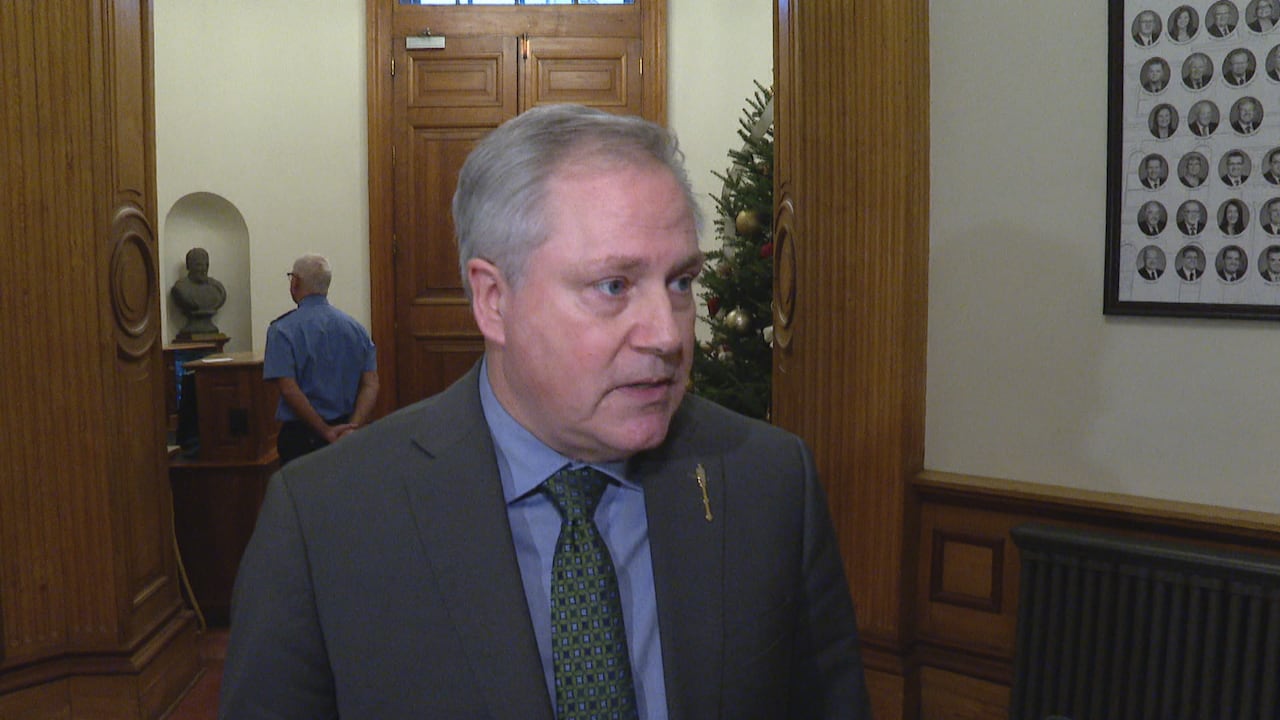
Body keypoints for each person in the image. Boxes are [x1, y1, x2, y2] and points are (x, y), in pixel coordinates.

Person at [220, 105, 873, 719]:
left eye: (680, 282)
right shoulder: (327, 518)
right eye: (614, 286)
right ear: (493, 300)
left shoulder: (769, 481)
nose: (669, 335)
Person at [262, 254, 379, 466]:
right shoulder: (356, 329)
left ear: (295, 282)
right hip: (346, 435)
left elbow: (288, 389)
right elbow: (371, 383)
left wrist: (325, 431)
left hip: (301, 437)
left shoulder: (282, 330)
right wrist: (352, 428)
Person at [170, 247, 227, 339]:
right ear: (189, 266)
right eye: (198, 265)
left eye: (206, 265)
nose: (203, 268)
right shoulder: (180, 288)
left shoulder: (218, 289)